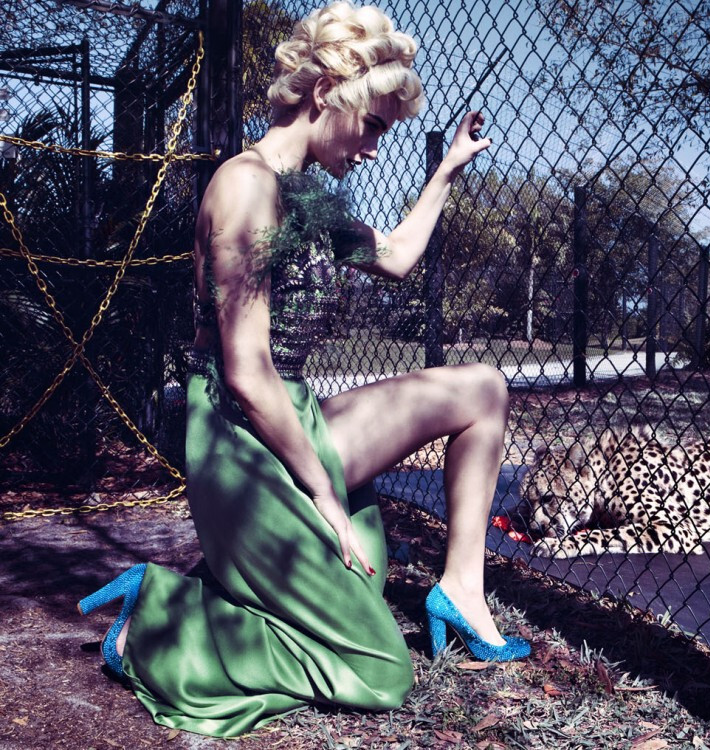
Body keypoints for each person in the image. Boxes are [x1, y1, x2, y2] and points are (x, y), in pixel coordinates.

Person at [77, 1, 528, 737]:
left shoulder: (306, 196)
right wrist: (323, 495)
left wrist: (446, 170)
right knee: (378, 668)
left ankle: (461, 590)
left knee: (483, 388)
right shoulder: (246, 186)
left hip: (295, 413)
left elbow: (395, 257)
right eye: (373, 125)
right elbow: (245, 372)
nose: (376, 148)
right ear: (325, 93)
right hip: (239, 436)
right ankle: (163, 618)